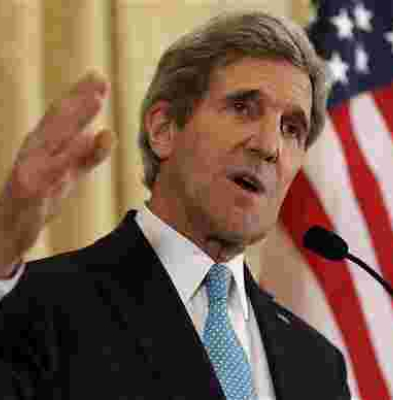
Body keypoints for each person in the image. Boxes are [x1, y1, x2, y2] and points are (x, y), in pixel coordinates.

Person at [0, 10, 351, 400]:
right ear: (164, 129)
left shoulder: (318, 367)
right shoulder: (40, 308)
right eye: (243, 108)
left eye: (292, 129)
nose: (270, 146)